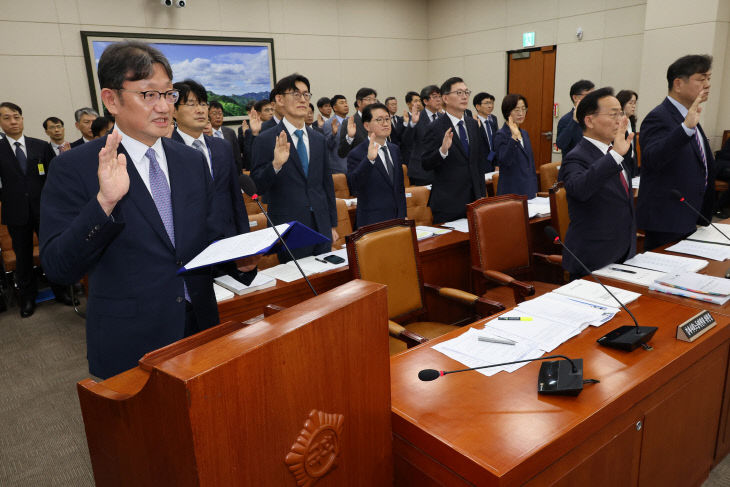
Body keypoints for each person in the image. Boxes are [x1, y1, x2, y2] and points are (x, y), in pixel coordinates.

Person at [40, 41, 221, 379]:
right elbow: (58, 267)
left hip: (199, 328)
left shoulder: (190, 160)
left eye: (169, 94)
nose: (164, 106)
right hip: (131, 342)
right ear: (111, 100)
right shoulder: (75, 168)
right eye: (148, 95)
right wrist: (104, 204)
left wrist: (242, 261)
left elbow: (204, 237)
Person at [170, 79, 258, 283]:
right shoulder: (166, 150)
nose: (200, 110)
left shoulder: (222, 147)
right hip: (190, 249)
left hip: (226, 243)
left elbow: (235, 198)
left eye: (203, 103)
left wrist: (244, 243)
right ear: (173, 111)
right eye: (191, 104)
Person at [251, 73, 338, 261]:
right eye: (296, 94)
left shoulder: (318, 139)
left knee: (326, 281)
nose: (302, 99)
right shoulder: (266, 139)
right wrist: (276, 165)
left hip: (321, 223)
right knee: (299, 285)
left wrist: (332, 225)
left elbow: (326, 184)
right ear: (280, 99)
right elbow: (257, 186)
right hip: (289, 227)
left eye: (306, 95)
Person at [0, 102, 72, 317]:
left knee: (52, 251)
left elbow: (54, 179)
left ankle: (61, 291)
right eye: (7, 118)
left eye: (16, 117)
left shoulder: (40, 146)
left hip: (44, 211)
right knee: (22, 257)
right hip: (16, 212)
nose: (13, 121)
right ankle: (27, 299)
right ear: (1, 122)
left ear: (22, 119)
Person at [637, 54, 714, 251]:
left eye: (709, 78)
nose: (707, 84)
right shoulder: (658, 117)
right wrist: (685, 128)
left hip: (690, 214)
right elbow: (653, 159)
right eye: (701, 78)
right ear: (678, 84)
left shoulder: (690, 114)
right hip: (667, 219)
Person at [558, 88, 636, 279]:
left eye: (621, 113)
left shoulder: (615, 151)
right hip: (593, 259)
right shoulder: (576, 157)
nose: (620, 120)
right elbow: (580, 189)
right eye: (613, 114)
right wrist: (616, 155)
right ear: (589, 120)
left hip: (623, 253)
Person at [422, 77, 487, 223]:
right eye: (459, 92)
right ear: (445, 98)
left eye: (466, 92)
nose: (464, 96)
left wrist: (482, 195)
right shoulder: (435, 127)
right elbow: (425, 163)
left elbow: (478, 163)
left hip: (474, 200)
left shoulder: (472, 124)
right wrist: (442, 151)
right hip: (448, 202)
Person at [347, 103, 406, 228]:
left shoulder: (394, 149)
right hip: (372, 222)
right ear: (367, 125)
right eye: (379, 120)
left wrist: (403, 215)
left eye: (387, 119)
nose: (385, 123)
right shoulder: (357, 153)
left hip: (398, 220)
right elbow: (354, 186)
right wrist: (369, 160)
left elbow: (399, 188)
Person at [493, 94, 538, 198]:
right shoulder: (501, 135)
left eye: (523, 109)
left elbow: (530, 164)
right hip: (511, 192)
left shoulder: (525, 133)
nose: (521, 113)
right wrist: (513, 138)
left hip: (528, 190)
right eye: (516, 110)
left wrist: (534, 189)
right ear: (508, 112)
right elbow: (504, 161)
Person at [404, 84, 441, 185]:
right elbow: (406, 141)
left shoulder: (443, 117)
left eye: (439, 96)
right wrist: (413, 123)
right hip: (421, 171)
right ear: (425, 101)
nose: (439, 100)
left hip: (441, 169)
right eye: (435, 97)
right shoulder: (417, 117)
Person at [556, 80, 594, 158]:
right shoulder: (566, 120)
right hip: (574, 165)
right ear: (575, 98)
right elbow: (561, 144)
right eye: (588, 95)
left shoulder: (594, 117)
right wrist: (574, 121)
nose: (592, 99)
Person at [338, 87, 377, 158]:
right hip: (359, 166)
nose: (372, 102)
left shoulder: (378, 121)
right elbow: (341, 153)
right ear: (359, 102)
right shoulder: (349, 123)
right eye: (368, 99)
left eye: (374, 100)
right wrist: (350, 137)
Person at [208, 100, 244, 172]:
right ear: (207, 116)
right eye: (214, 114)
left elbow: (237, 157)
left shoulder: (230, 132)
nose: (218, 116)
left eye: (220, 114)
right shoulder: (205, 133)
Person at [322, 94, 349, 174]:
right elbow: (327, 146)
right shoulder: (329, 123)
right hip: (339, 168)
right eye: (342, 103)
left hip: (354, 166)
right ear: (335, 108)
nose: (346, 105)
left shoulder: (352, 121)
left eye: (346, 102)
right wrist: (333, 134)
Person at [616, 89, 639, 177]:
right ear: (622, 104)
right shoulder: (617, 123)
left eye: (635, 103)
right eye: (631, 103)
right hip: (621, 164)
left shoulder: (631, 122)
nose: (634, 106)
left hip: (631, 164)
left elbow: (633, 148)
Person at [472, 91, 498, 171]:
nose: (490, 106)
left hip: (493, 163)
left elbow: (495, 143)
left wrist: (497, 164)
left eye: (491, 103)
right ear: (478, 106)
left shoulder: (493, 120)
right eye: (487, 103)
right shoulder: (472, 122)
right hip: (479, 166)